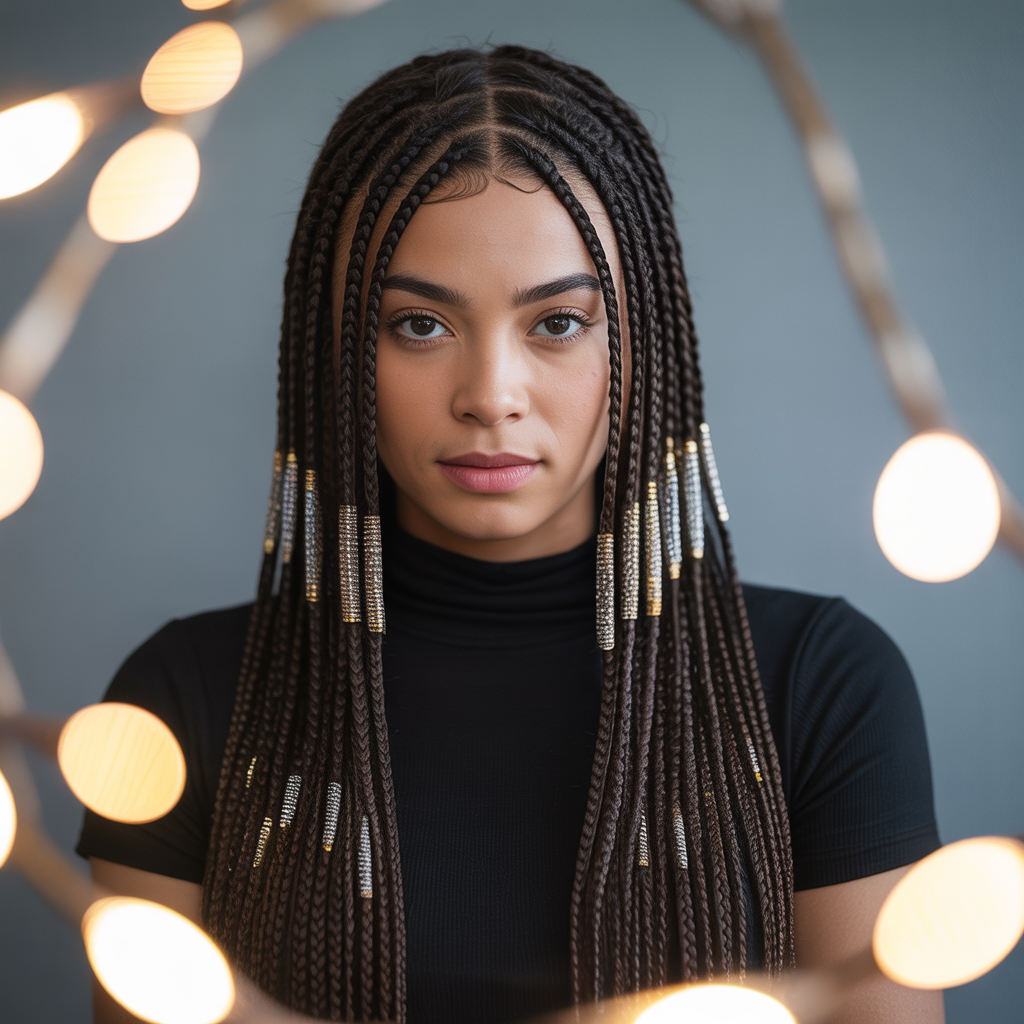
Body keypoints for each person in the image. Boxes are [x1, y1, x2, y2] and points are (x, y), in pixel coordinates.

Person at [77, 47, 943, 1024]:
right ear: (338, 348)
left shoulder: (821, 685)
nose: (490, 396)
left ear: (640, 341)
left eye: (559, 322)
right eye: (417, 325)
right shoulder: (179, 703)